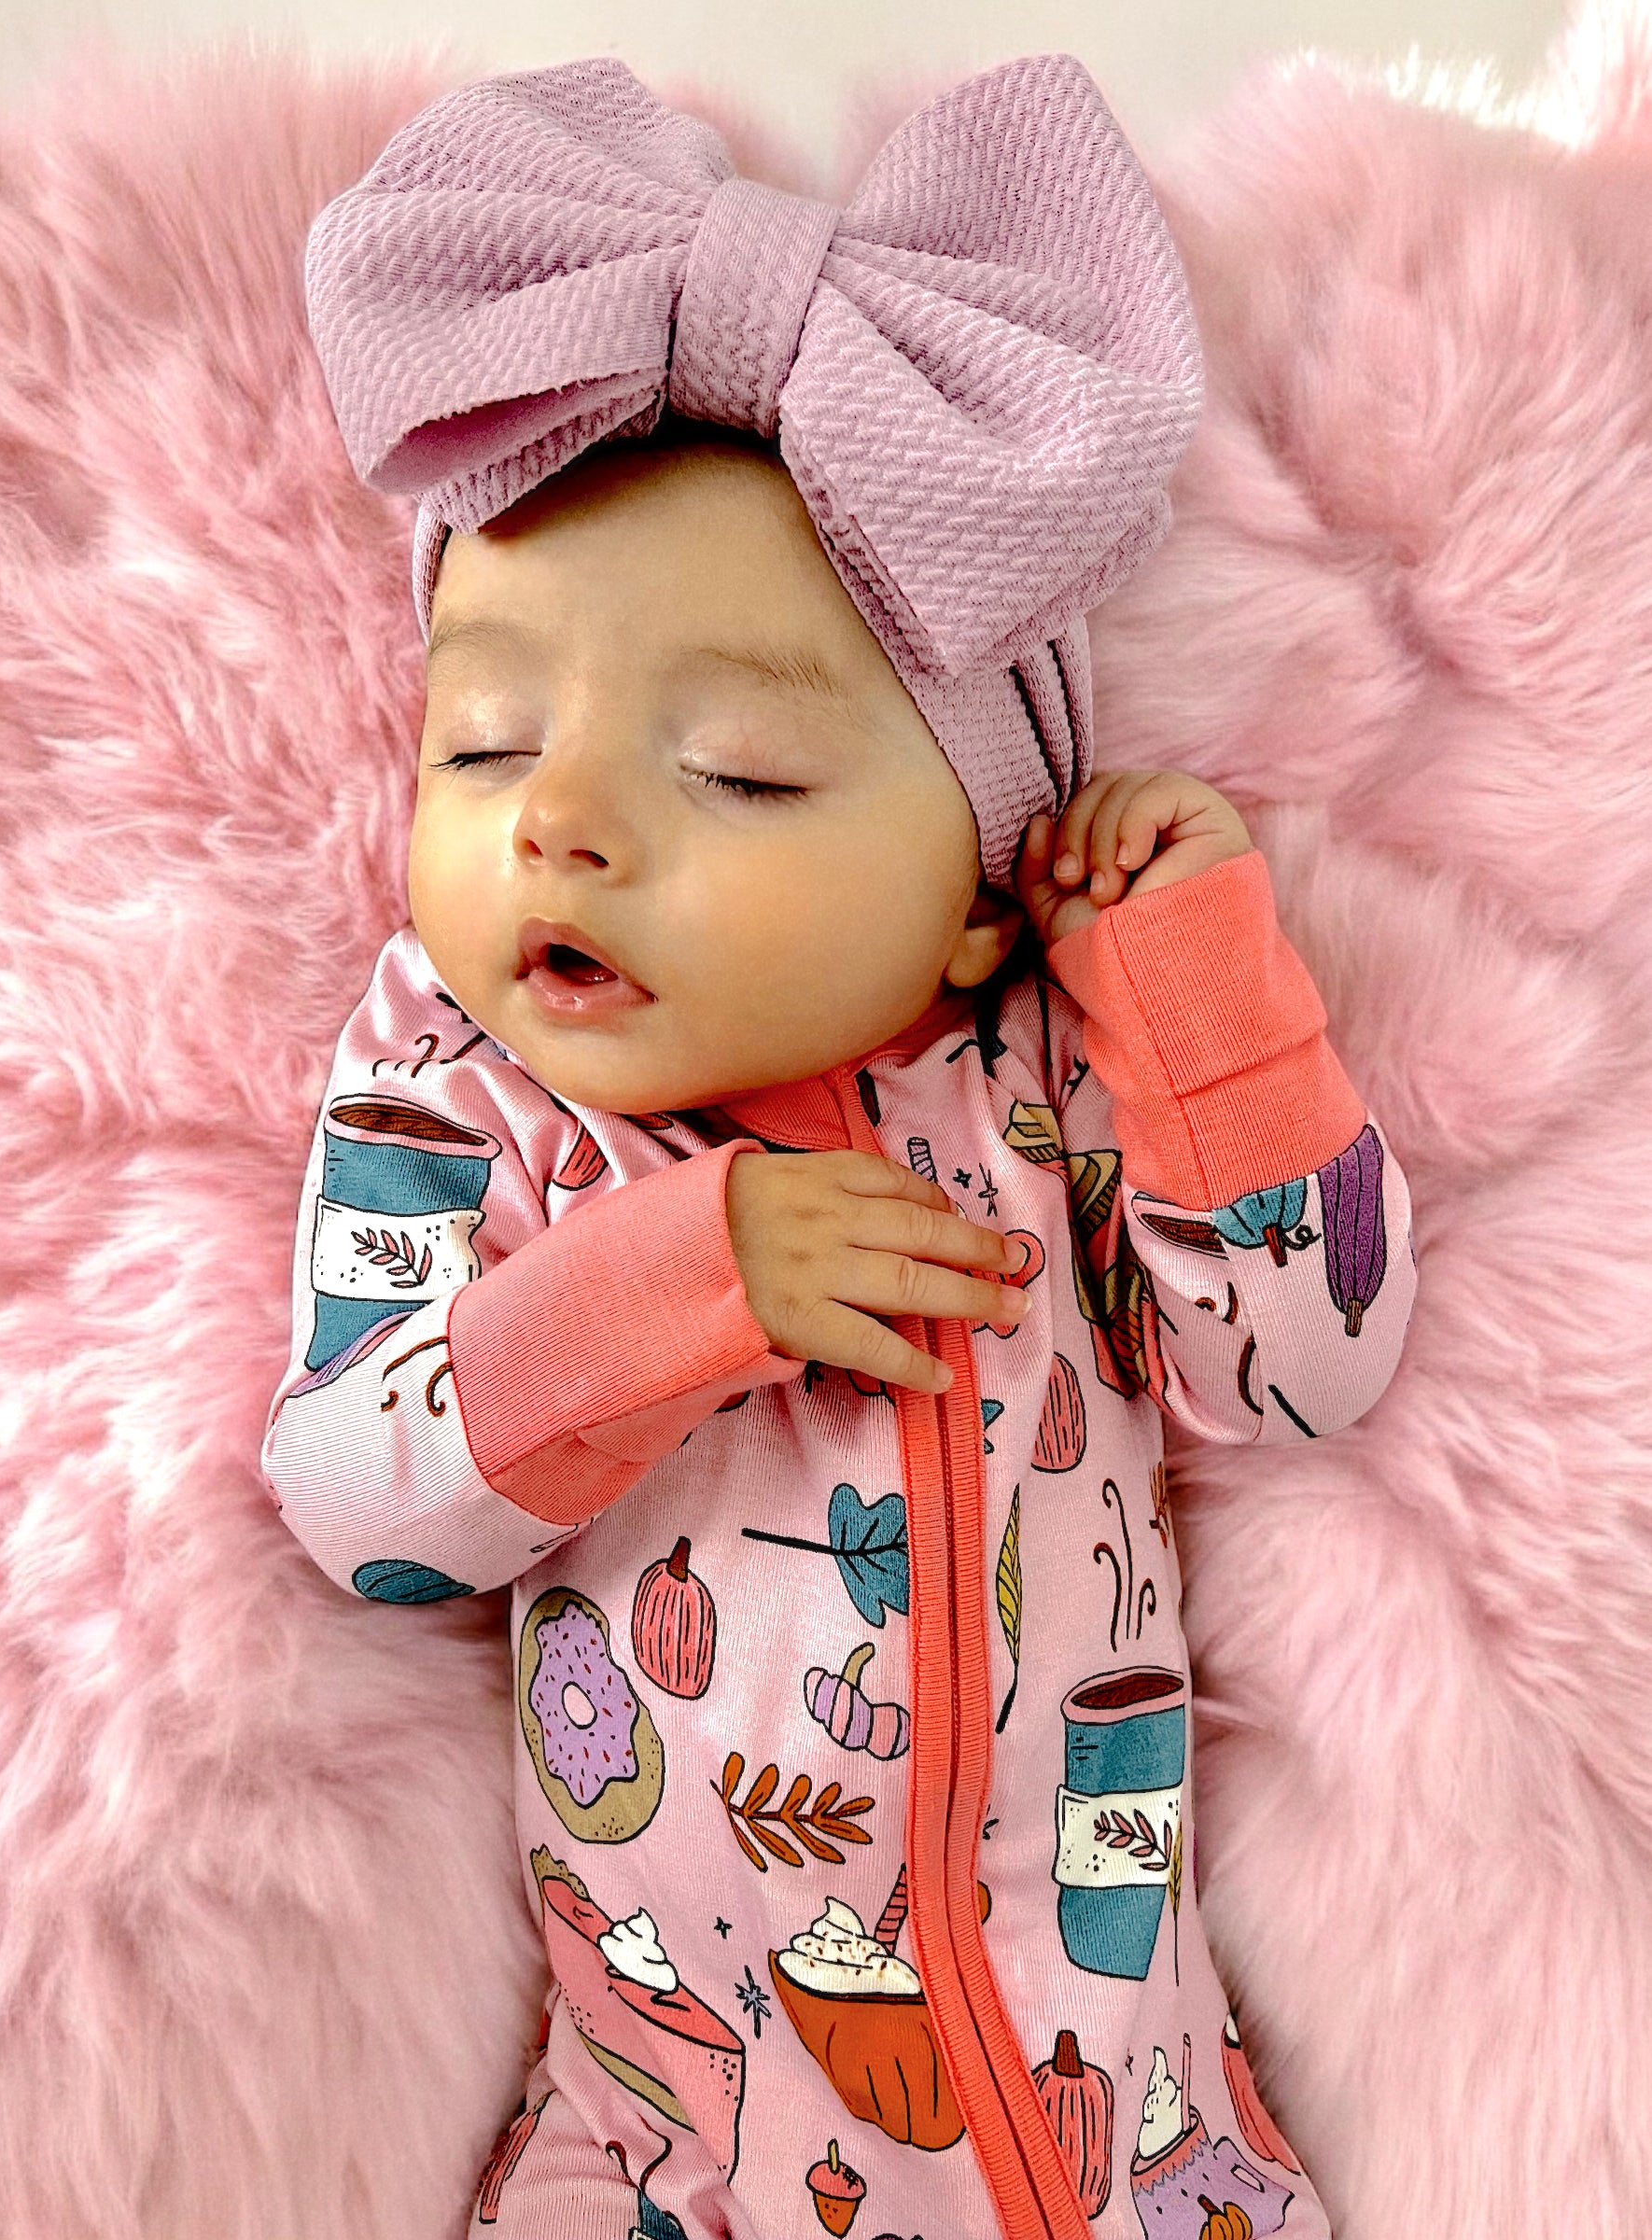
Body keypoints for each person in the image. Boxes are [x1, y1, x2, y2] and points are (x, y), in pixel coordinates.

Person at [261, 51, 1418, 2240]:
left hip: (1141, 2136)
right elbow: (360, 1503)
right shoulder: (458, 1090)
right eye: (484, 733)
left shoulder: (1045, 1066)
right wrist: (686, 1275)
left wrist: (1194, 985)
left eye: (741, 770)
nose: (559, 817)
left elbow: (1304, 1366)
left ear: (975, 876)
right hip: (670, 2154)